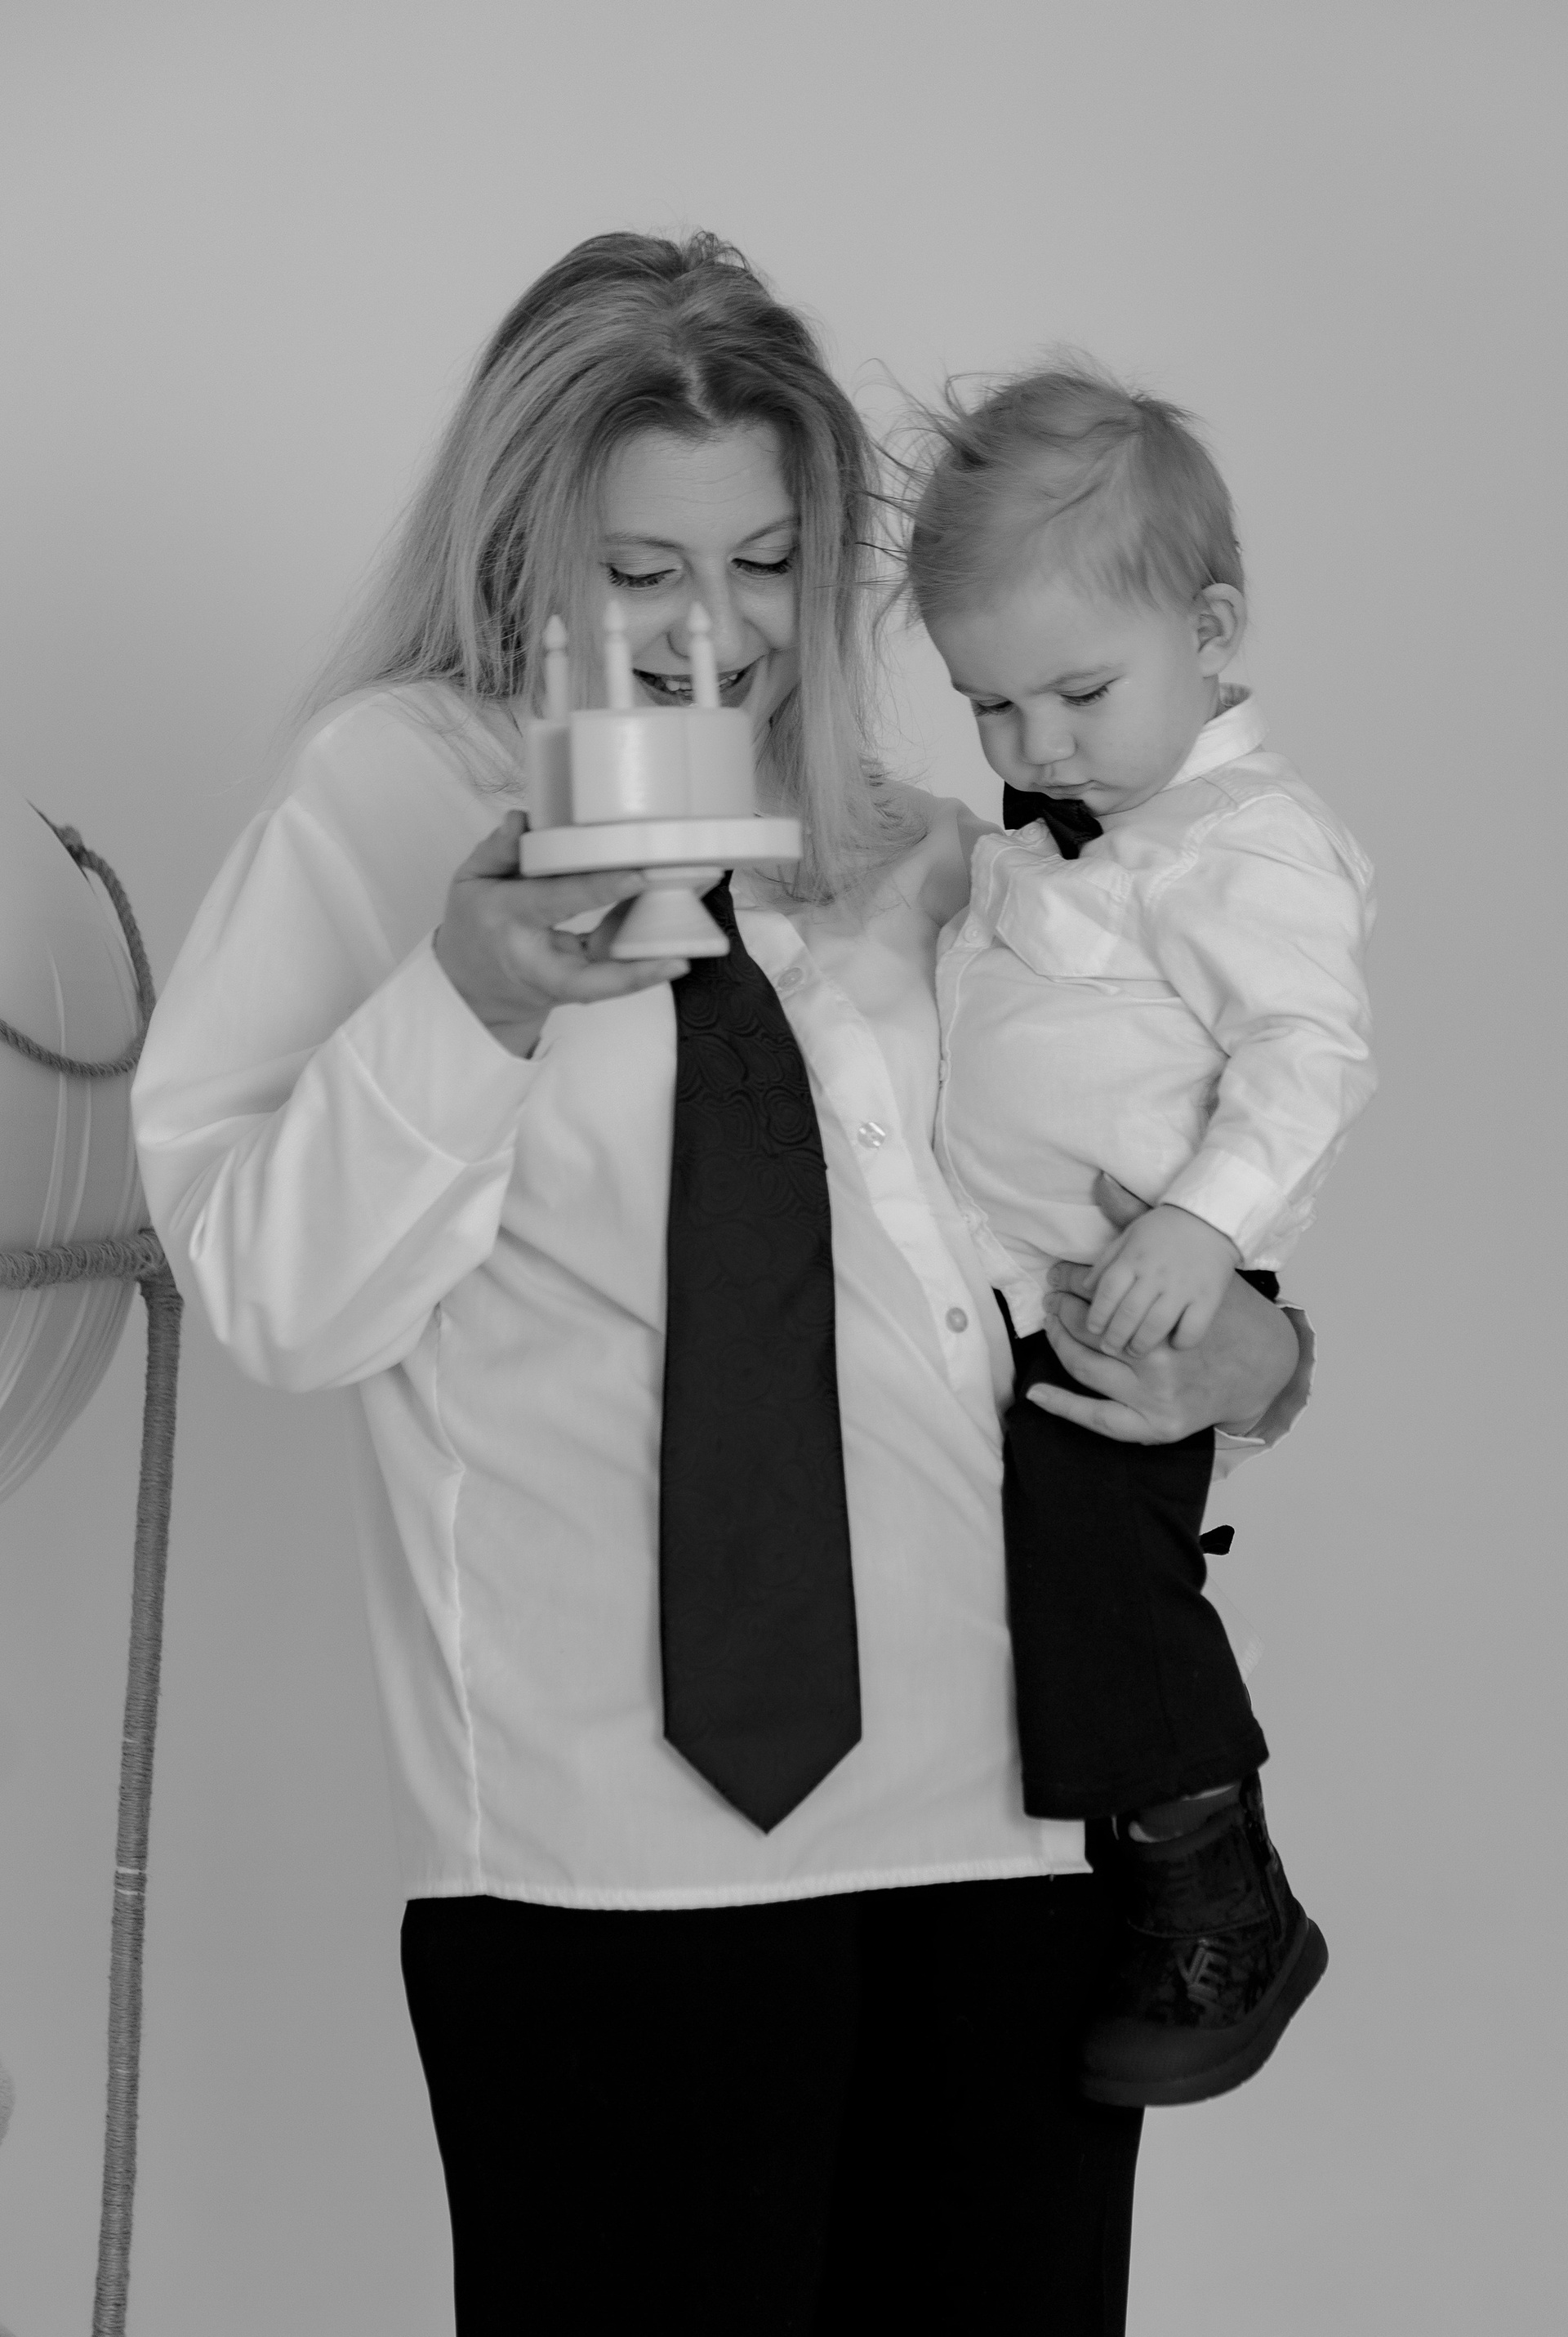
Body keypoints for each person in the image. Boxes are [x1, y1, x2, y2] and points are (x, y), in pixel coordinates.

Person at [132, 236, 1306, 2335]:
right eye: (642, 569)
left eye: (767, 565)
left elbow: (1076, 1224)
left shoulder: (918, 839)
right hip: (611, 1853)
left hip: (1007, 1830)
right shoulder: (392, 801)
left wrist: (1263, 1353)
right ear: (521, 546)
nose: (713, 630)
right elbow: (276, 1297)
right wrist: (475, 1001)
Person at [907, 365, 1374, 2111]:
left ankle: (1217, 1878)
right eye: (990, 706)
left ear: (1213, 630)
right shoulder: (1077, 832)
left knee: (1103, 1565)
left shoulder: (1248, 844)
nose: (1035, 747)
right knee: (1058, 1571)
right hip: (1027, 1288)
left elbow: (1310, 1057)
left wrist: (1200, 1227)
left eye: (1079, 693)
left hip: (1141, 1287)